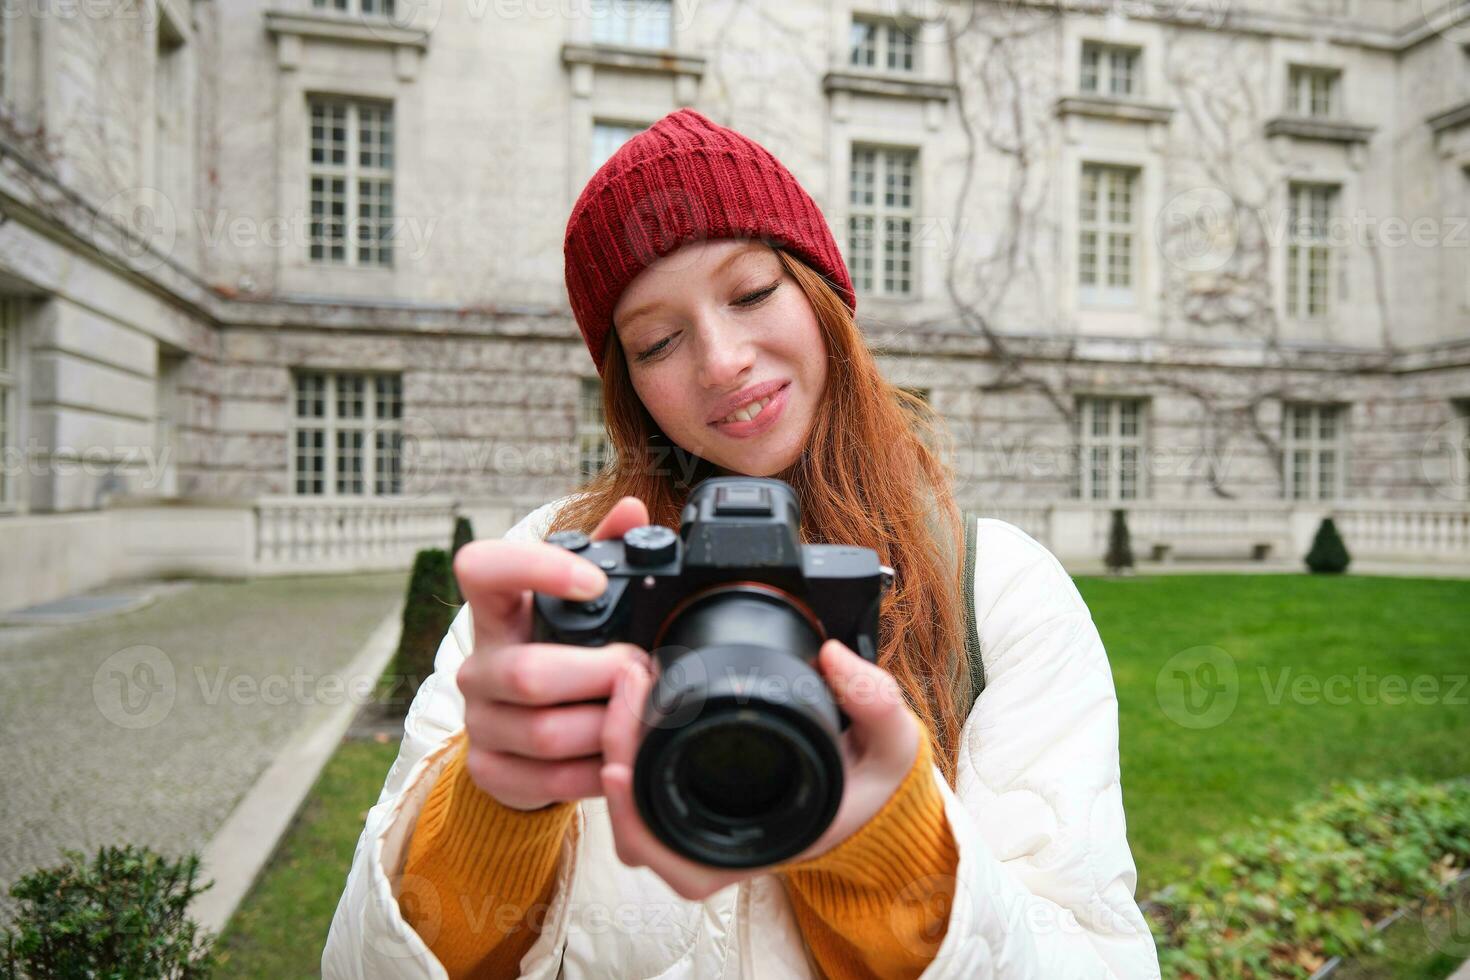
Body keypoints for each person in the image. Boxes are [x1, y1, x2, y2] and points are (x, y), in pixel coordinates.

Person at [323, 107, 1161, 979]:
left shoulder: (997, 592)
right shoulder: (559, 574)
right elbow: (357, 967)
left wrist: (894, 846)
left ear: (822, 294)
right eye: (658, 340)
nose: (721, 361)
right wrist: (490, 810)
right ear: (628, 386)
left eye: (752, 293)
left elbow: (1097, 956)